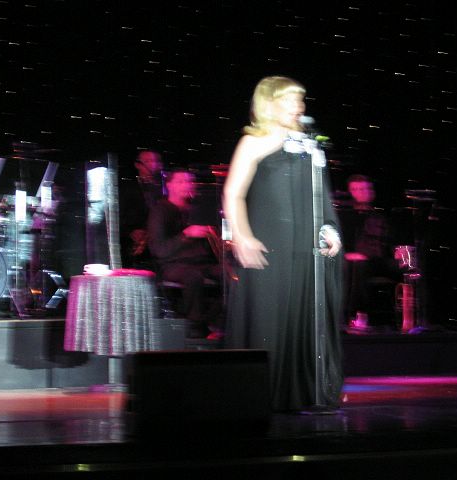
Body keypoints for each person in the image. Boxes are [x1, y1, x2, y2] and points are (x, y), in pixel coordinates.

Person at [223, 76, 344, 412]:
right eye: (289, 100)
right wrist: (242, 235)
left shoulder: (309, 145)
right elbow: (233, 193)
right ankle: (259, 395)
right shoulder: (254, 141)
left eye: (300, 100)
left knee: (301, 314)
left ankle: (302, 391)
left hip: (304, 246)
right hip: (270, 243)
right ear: (269, 103)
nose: (298, 107)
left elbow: (322, 197)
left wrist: (330, 230)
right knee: (269, 317)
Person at [147, 169, 223, 339]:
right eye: (181, 181)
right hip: (174, 264)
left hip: (203, 262)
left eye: (189, 181)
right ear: (169, 185)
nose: (187, 185)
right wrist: (186, 235)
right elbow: (159, 249)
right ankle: (195, 327)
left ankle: (214, 321)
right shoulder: (160, 211)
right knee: (193, 276)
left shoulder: (197, 210)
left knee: (230, 274)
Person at [338, 174, 399, 332]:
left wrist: (362, 255)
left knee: (359, 265)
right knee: (345, 266)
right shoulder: (344, 216)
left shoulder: (379, 217)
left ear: (371, 191)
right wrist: (345, 255)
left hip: (377, 261)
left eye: (364, 189)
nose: (361, 193)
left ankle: (359, 315)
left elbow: (381, 246)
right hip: (352, 260)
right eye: (356, 189)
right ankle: (341, 316)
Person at [120, 150, 164, 269]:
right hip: (136, 243)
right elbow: (119, 214)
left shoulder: (163, 187)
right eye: (148, 161)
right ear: (138, 165)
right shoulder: (128, 188)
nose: (153, 165)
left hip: (158, 242)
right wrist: (130, 231)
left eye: (155, 161)